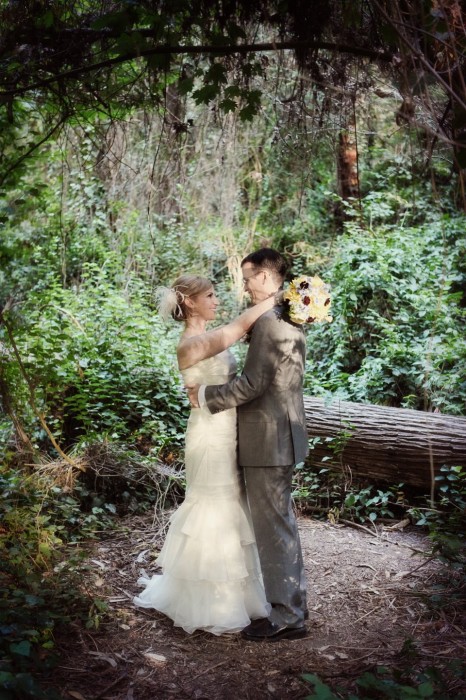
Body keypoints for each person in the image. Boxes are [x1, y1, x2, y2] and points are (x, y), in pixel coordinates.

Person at [133, 273, 278, 635]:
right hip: (209, 434)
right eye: (210, 296)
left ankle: (239, 596)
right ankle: (209, 602)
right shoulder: (191, 344)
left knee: (233, 501)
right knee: (215, 503)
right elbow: (237, 326)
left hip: (228, 427)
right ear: (190, 302)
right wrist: (286, 297)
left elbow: (237, 338)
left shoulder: (207, 339)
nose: (217, 300)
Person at [187, 248, 309, 642]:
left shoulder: (273, 323)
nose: (244, 285)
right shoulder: (289, 314)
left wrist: (206, 396)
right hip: (280, 433)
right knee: (279, 525)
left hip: (268, 438)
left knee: (275, 529)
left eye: (247, 278)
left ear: (265, 278)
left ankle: (288, 617)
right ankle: (285, 608)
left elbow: (254, 384)